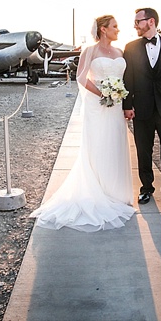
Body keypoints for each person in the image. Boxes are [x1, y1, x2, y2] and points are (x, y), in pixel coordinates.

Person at [30, 15, 135, 231]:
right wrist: (103, 93)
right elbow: (81, 77)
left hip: (115, 107)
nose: (118, 30)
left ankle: (116, 192)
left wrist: (118, 96)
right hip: (98, 105)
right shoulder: (90, 51)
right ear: (103, 29)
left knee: (115, 146)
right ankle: (97, 192)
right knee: (97, 146)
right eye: (115, 26)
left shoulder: (120, 52)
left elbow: (126, 78)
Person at [122, 8, 161, 210]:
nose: (134, 25)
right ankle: (146, 189)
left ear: (150, 22)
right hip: (142, 109)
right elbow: (128, 78)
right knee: (143, 151)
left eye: (137, 21)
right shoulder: (130, 47)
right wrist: (127, 105)